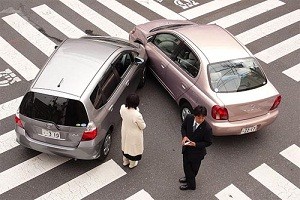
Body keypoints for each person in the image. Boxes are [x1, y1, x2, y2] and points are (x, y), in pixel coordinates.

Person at [179, 105, 212, 190]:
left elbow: (208, 142)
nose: (200, 120)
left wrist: (196, 144)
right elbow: (183, 128)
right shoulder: (189, 118)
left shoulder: (207, 128)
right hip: (187, 149)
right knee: (186, 166)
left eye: (203, 118)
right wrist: (184, 136)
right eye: (198, 117)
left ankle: (191, 185)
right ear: (194, 115)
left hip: (197, 153)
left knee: (193, 170)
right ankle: (187, 178)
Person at [120, 93, 146, 169]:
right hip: (134, 134)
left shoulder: (122, 108)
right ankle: (132, 164)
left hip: (125, 129)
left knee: (125, 145)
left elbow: (122, 115)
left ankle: (125, 161)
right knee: (133, 149)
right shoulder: (137, 115)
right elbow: (143, 126)